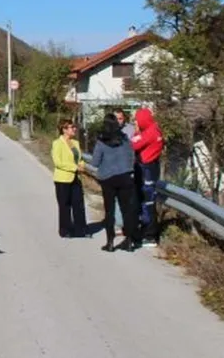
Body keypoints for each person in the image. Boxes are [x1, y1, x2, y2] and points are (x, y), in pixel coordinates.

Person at [87, 113, 140, 251]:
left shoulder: (101, 141)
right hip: (125, 177)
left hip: (108, 179)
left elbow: (95, 162)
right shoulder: (125, 139)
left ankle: (110, 242)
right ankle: (129, 241)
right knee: (126, 210)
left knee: (109, 211)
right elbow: (132, 157)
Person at [131, 107, 165, 246]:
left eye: (136, 120)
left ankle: (149, 235)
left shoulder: (149, 132)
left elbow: (132, 144)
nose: (135, 122)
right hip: (150, 167)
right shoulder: (155, 129)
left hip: (147, 169)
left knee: (147, 202)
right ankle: (146, 231)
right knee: (145, 201)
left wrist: (136, 132)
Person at [50, 119, 89, 238]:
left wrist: (82, 165)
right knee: (64, 205)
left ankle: (80, 228)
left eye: (74, 127)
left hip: (75, 178)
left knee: (78, 203)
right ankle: (65, 230)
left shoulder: (75, 143)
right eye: (72, 127)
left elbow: (80, 158)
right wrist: (74, 167)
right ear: (64, 129)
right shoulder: (57, 143)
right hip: (63, 179)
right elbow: (58, 162)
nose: (74, 129)